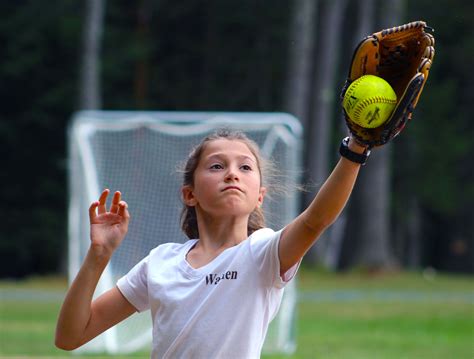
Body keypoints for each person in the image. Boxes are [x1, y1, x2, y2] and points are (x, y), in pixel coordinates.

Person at [55, 129, 368, 358]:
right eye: (217, 166)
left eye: (245, 167)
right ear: (190, 194)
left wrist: (356, 148)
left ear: (260, 196)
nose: (232, 173)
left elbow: (316, 220)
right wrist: (98, 255)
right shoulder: (160, 262)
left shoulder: (262, 253)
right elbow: (70, 336)